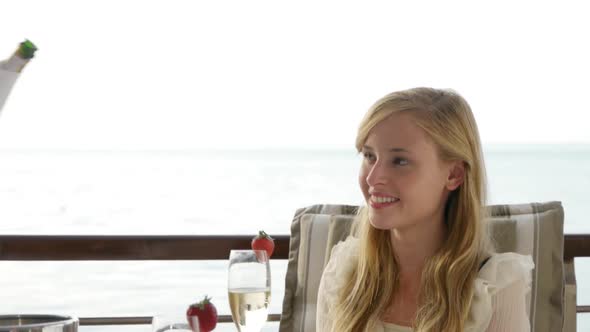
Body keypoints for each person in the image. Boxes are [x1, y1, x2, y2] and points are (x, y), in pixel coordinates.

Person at [316, 87, 534, 332]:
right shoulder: (344, 274)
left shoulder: (492, 288)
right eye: (369, 156)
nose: (373, 177)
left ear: (454, 174)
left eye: (399, 161)